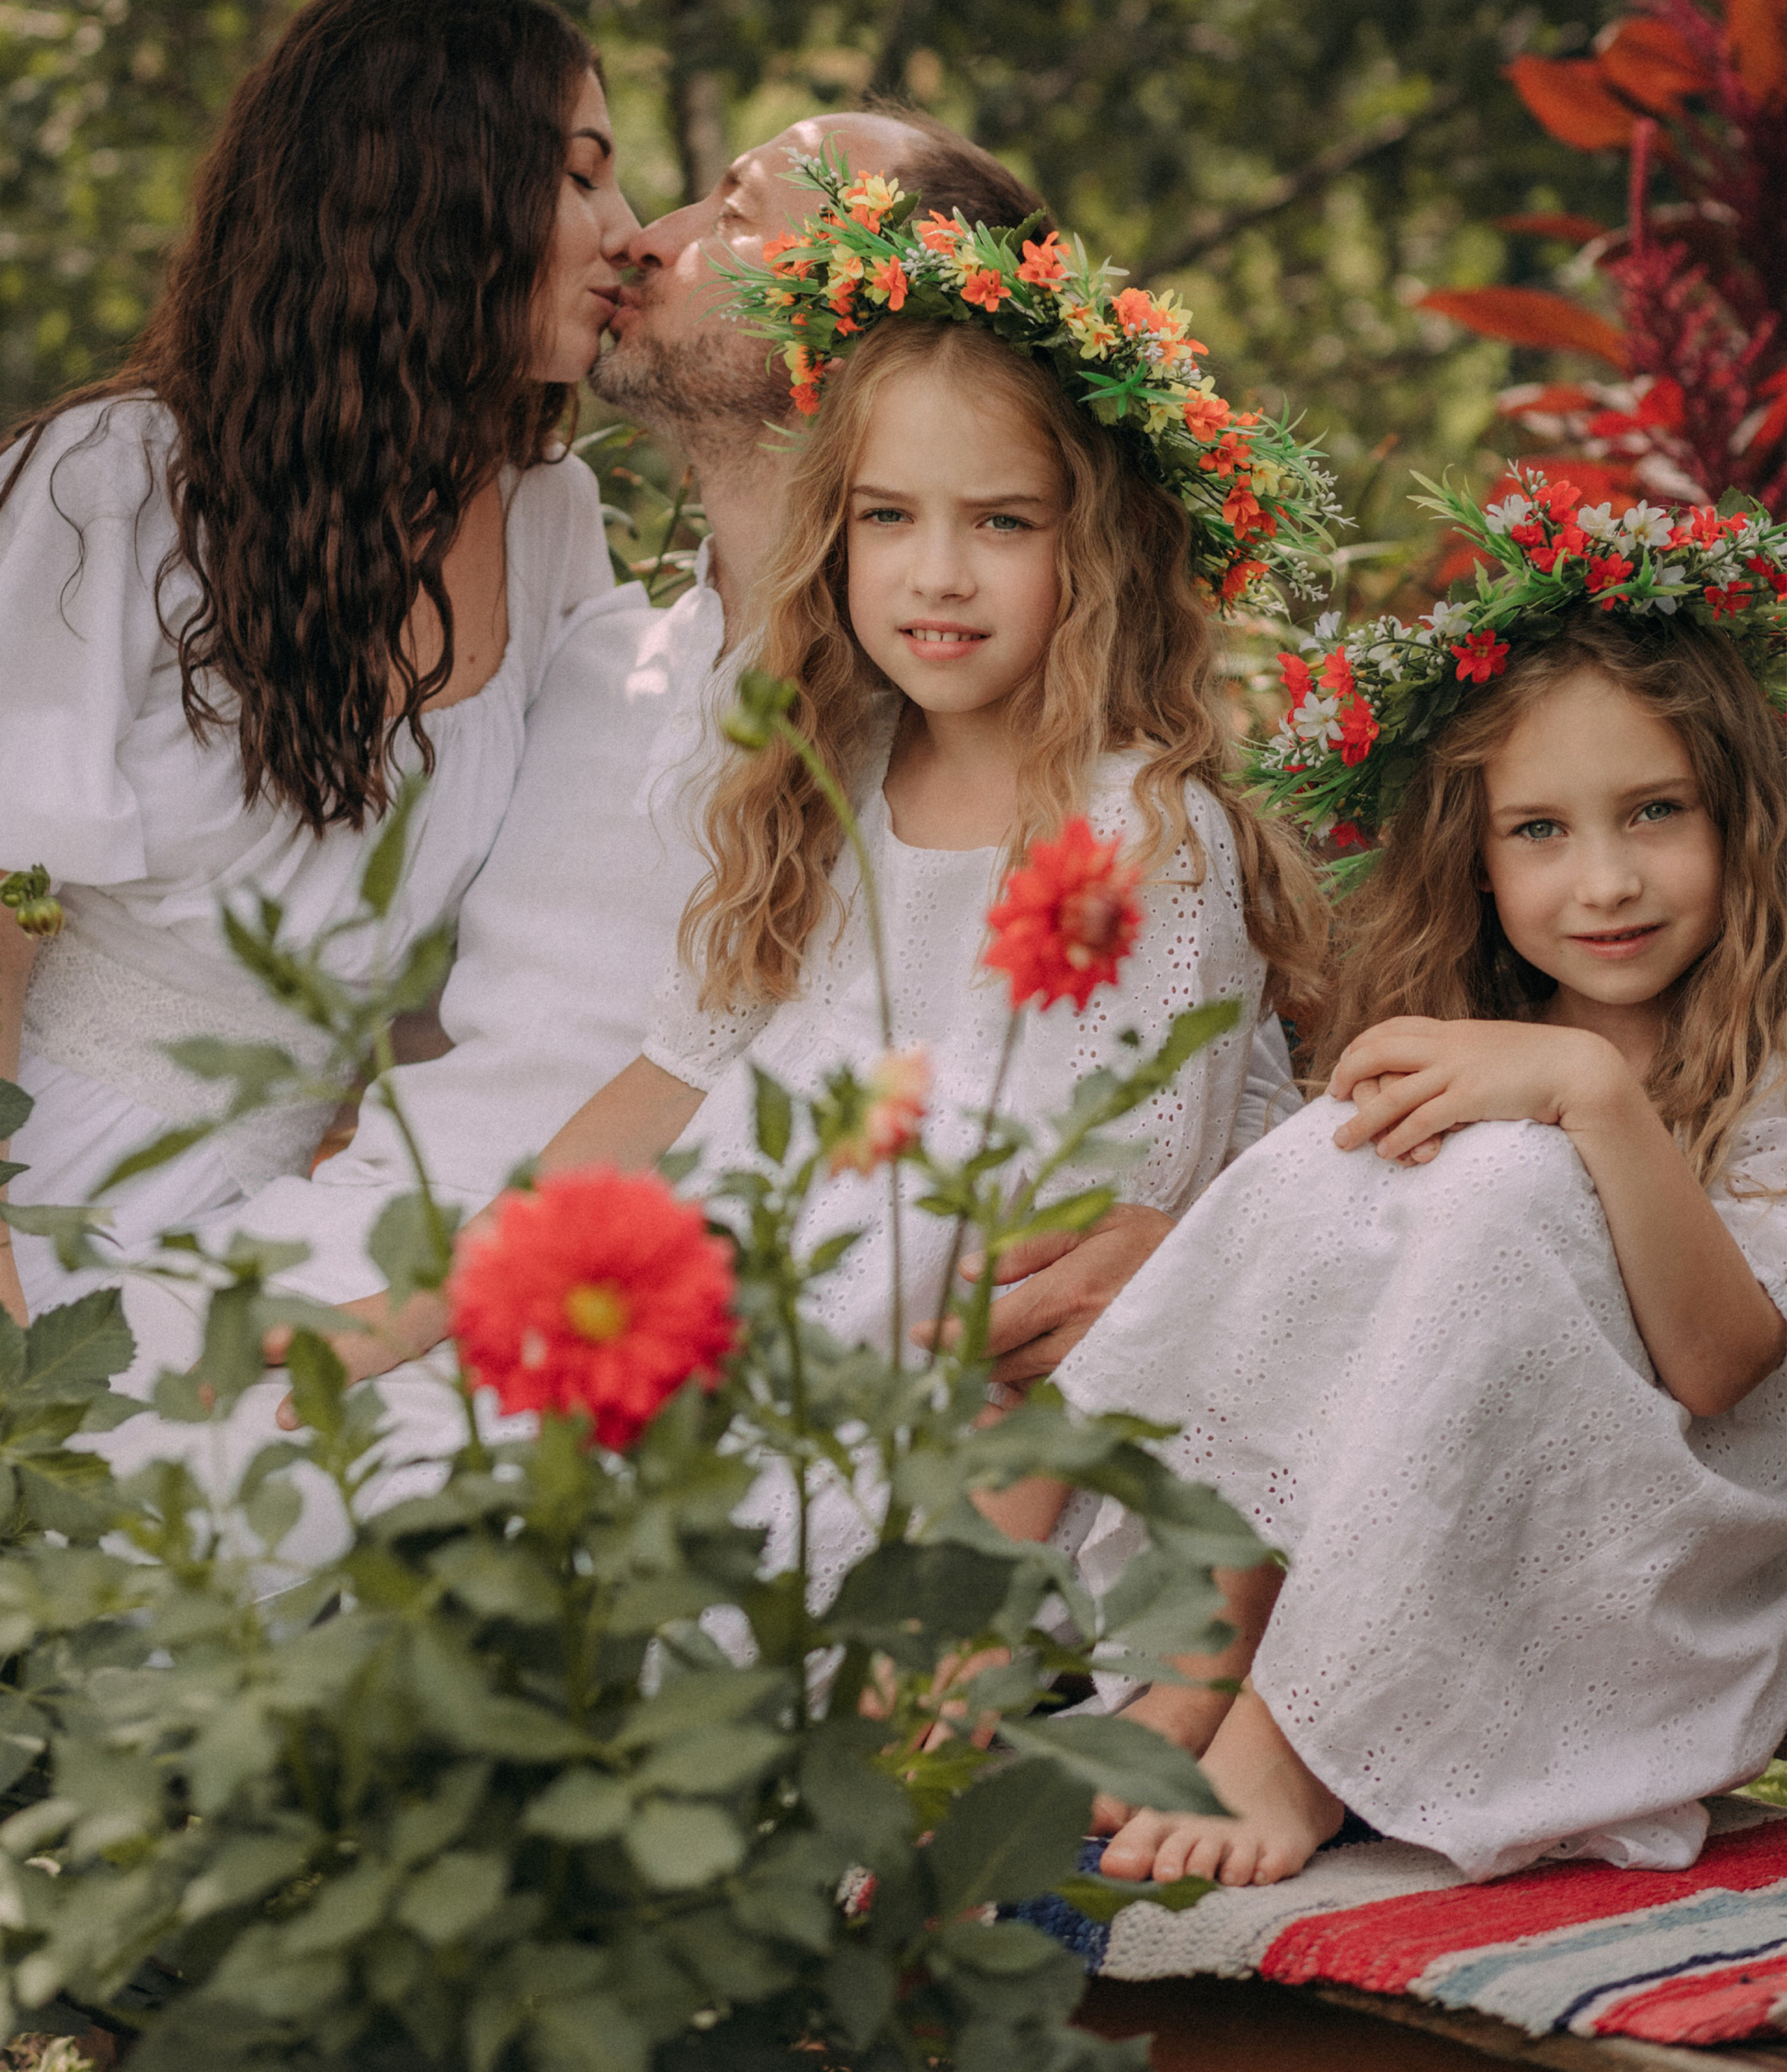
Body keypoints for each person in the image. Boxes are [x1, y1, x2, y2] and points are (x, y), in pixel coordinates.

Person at [517, 163, 1334, 1597]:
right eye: (889, 519)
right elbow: (667, 1079)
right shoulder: (824, 774)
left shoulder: (1139, 839)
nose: (935, 576)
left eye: (1002, 524)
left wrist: (942, 1663)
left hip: (975, 1480)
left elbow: (1057, 1314)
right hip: (762, 1351)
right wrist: (447, 1301)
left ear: (1096, 547)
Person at [1007, 473, 1787, 1888]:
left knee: (1502, 1184)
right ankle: (1207, 1651)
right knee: (1331, 1149)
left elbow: (1723, 1366)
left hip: (1656, 1547)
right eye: (1539, 831)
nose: (1601, 880)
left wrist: (1590, 1095)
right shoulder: (1493, 1043)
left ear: (1737, 815)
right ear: (1476, 860)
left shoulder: (1757, 1062)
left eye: (1653, 813)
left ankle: (1300, 1742)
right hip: (1429, 1523)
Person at [0, 0, 635, 1324]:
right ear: (433, 193)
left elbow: (507, 950)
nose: (624, 235)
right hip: (44, 1178)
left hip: (313, 1229)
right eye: (579, 180)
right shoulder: (114, 480)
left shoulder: (550, 522)